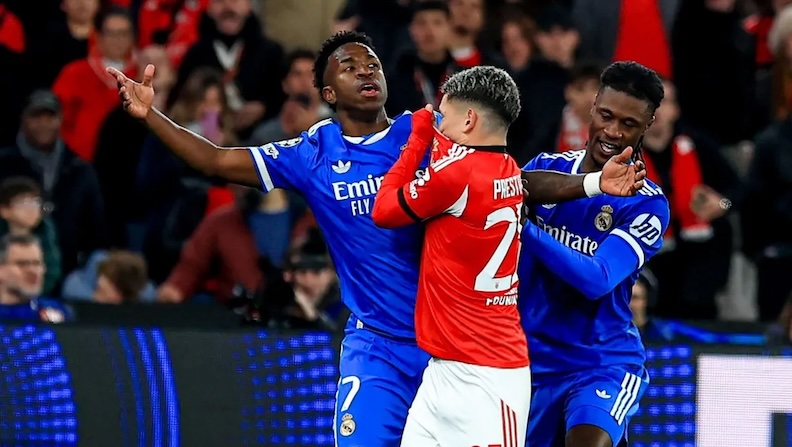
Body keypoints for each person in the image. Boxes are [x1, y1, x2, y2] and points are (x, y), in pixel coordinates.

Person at [108, 31, 646, 446]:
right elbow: (216, 161)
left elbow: (509, 181)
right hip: (378, 349)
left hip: (451, 351)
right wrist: (150, 115)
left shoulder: (431, 134)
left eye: (372, 63)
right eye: (349, 66)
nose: (366, 69)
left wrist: (593, 184)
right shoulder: (311, 153)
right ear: (327, 92)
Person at [372, 66, 530, 446]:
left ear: (469, 120)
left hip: (489, 381)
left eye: (444, 116)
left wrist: (418, 138)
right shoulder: (508, 169)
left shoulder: (456, 175)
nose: (439, 126)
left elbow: (384, 210)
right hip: (443, 372)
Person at [518, 61, 671, 447]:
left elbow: (597, 278)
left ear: (647, 126)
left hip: (600, 362)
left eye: (629, 124)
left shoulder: (647, 204)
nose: (613, 132)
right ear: (593, 106)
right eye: (606, 116)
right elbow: (499, 191)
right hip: (528, 363)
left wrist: (525, 229)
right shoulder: (546, 170)